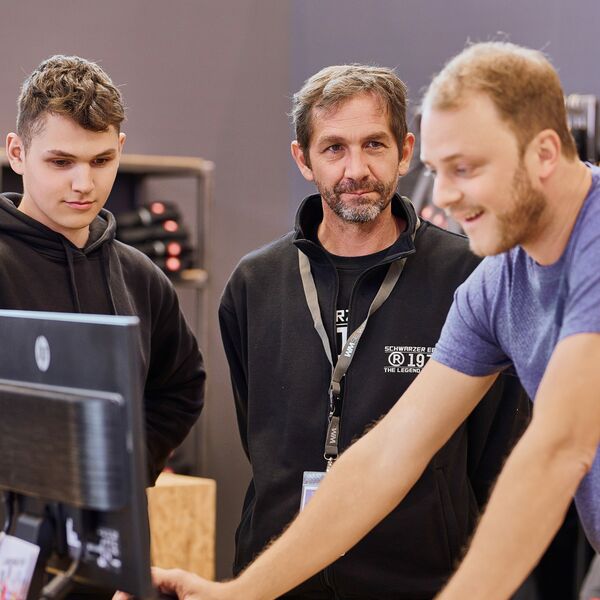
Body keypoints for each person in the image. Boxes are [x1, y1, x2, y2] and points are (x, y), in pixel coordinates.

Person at [131, 41, 600, 600]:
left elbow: (556, 450)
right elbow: (390, 454)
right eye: (437, 171)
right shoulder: (497, 282)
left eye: (465, 168)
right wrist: (242, 593)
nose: (444, 196)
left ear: (544, 153)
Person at [222, 64, 524, 599]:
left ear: (405, 152)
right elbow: (259, 437)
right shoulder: (255, 283)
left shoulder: (468, 276)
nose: (356, 169)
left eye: (374, 145)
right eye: (334, 148)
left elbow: (498, 449)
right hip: (276, 580)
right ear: (303, 159)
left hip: (420, 582)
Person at [0, 55, 205, 484]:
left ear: (120, 150)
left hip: (112, 519)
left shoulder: (141, 277)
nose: (83, 184)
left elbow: (181, 387)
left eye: (100, 161)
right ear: (17, 153)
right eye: (61, 162)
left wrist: (127, 467)